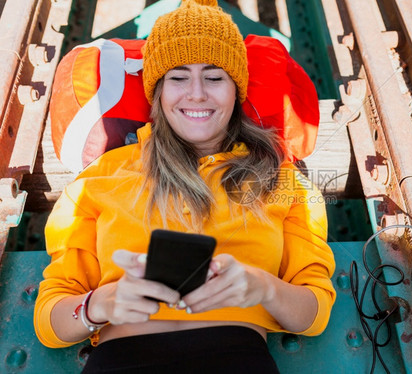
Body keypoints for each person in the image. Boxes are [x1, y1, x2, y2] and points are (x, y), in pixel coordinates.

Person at [34, 0, 336, 372]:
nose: (196, 93)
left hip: (235, 359)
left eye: (214, 77)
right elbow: (50, 322)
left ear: (236, 89)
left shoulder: (285, 182)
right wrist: (100, 304)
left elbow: (315, 312)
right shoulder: (98, 179)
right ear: (157, 91)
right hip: (121, 360)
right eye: (178, 77)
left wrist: (264, 288)